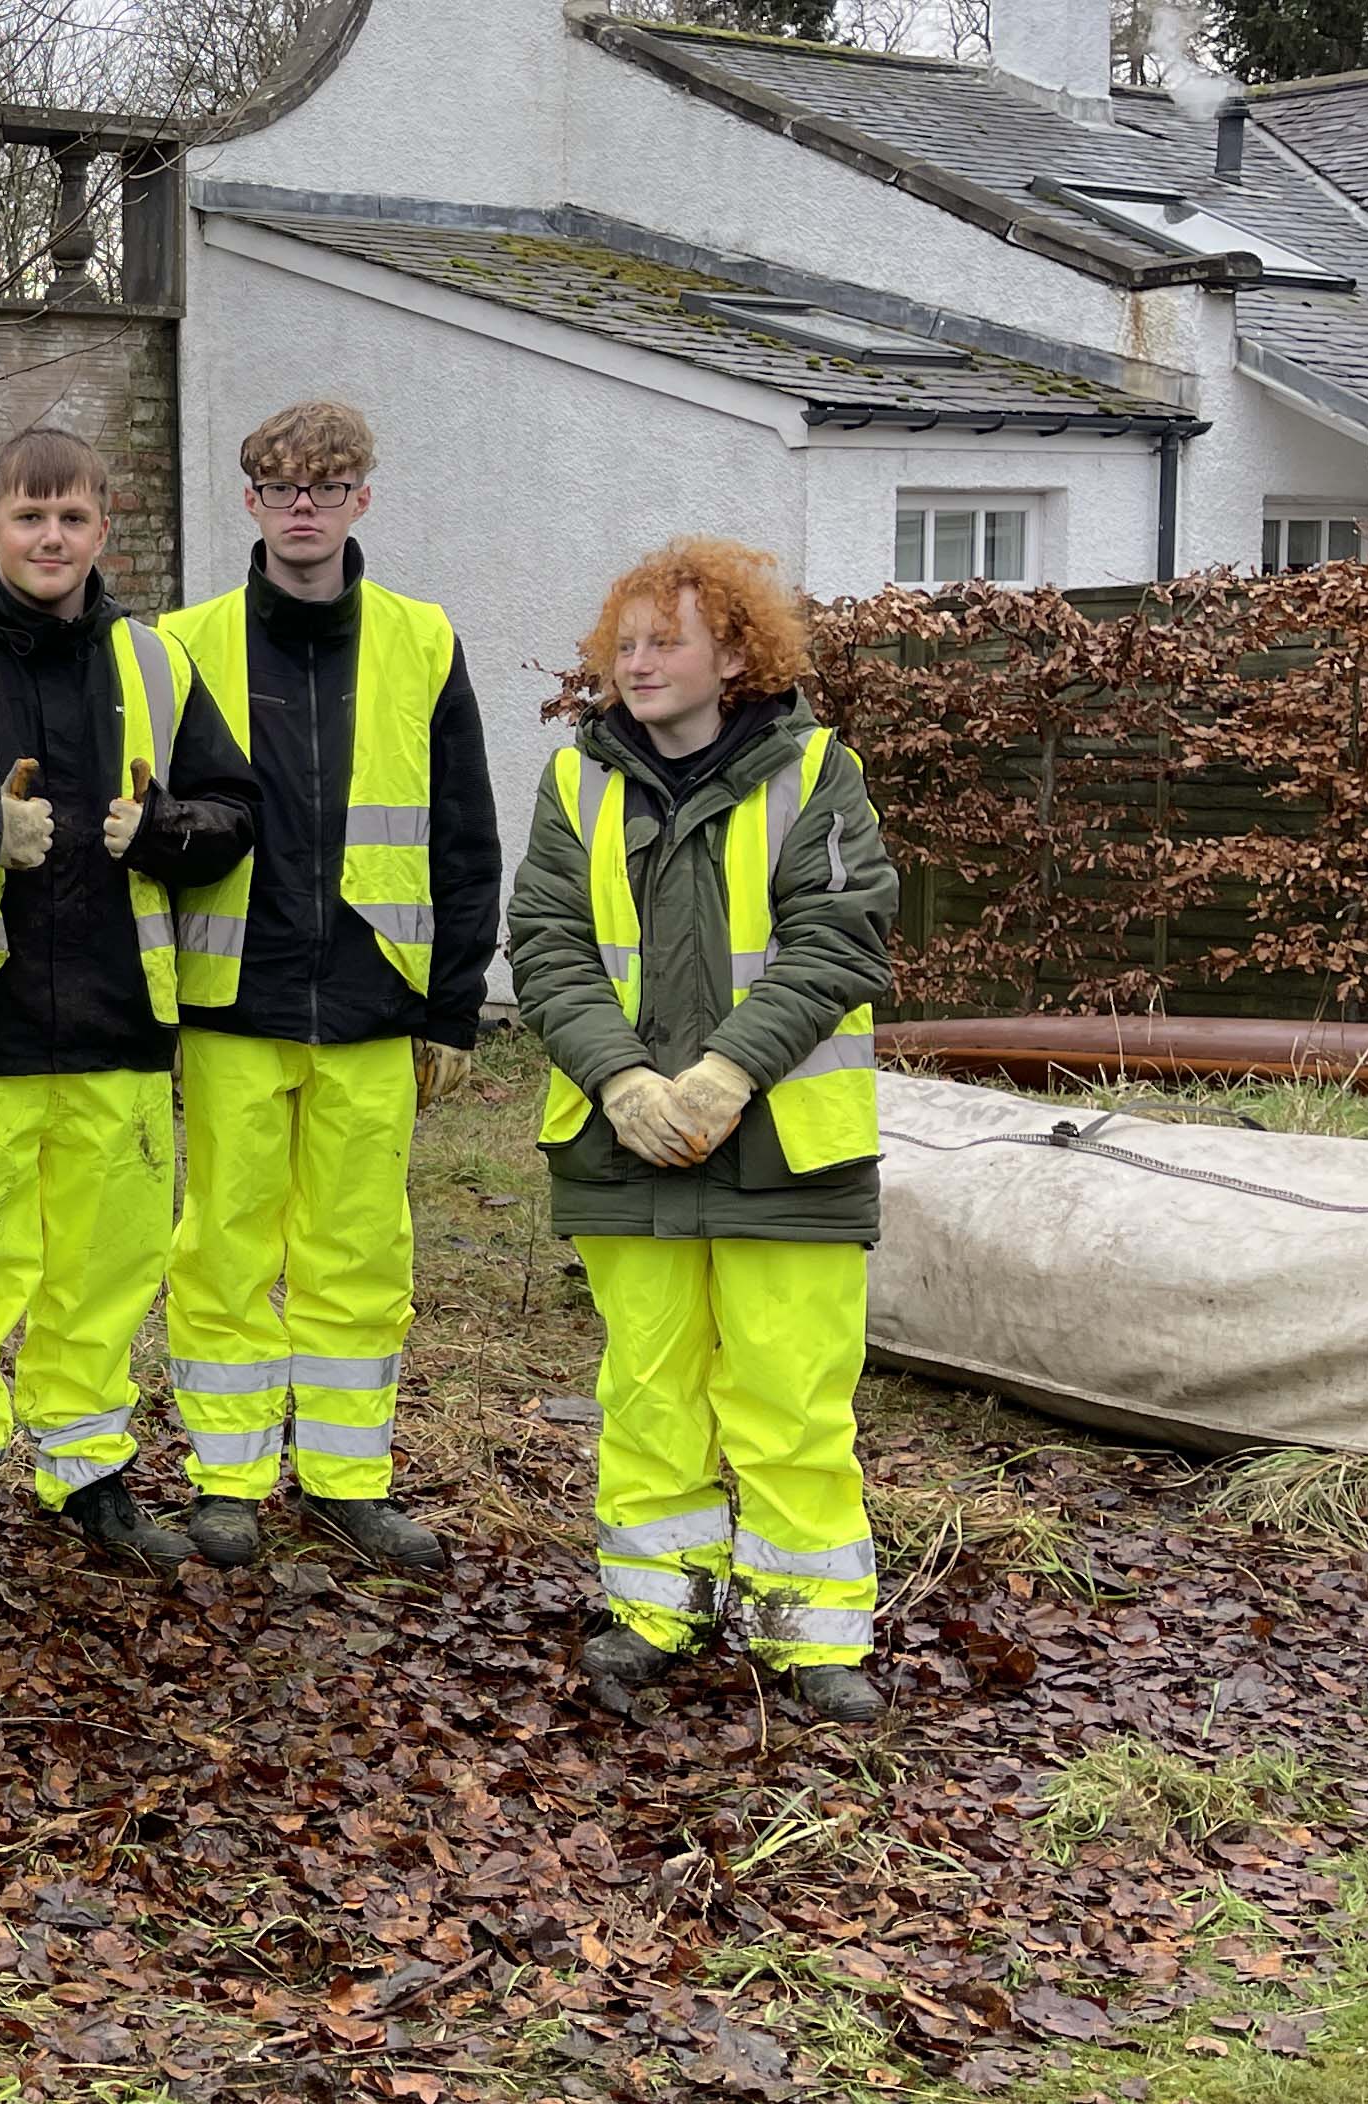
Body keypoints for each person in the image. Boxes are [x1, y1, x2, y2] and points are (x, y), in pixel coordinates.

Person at [506, 536, 892, 1726]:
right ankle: (653, 1609)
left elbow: (839, 937)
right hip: (626, 1144)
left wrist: (726, 1073)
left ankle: (807, 1634)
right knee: (650, 1384)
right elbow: (546, 944)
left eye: (664, 639)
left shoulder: (817, 772)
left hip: (785, 1148)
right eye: (623, 644)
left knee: (789, 1389)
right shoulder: (576, 783)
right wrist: (622, 1082)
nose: (637, 662)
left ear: (734, 652)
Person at [0, 429, 258, 1577]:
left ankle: (86, 1478)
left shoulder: (152, 664)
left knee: (102, 1275)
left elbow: (235, 811)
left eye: (74, 517)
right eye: (29, 516)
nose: (52, 537)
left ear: (105, 526)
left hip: (118, 1024)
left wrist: (169, 831)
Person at [154, 401, 503, 1572]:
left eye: (327, 484)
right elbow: (144, 831)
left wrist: (453, 1002)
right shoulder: (182, 642)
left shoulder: (423, 639)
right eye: (280, 486)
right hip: (230, 994)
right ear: (247, 503)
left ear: (364, 498)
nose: (302, 505)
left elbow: (463, 831)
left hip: (372, 993)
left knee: (360, 1250)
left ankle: (350, 1477)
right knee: (224, 1245)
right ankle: (228, 1477)